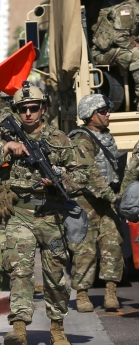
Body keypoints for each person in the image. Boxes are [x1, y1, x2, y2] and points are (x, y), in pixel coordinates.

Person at [0, 82, 90, 345]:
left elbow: (83, 173)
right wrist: (5, 150)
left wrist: (61, 181)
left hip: (51, 215)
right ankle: (18, 329)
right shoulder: (6, 138)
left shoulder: (59, 139)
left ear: (43, 109)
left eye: (33, 108)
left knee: (55, 276)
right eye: (23, 109)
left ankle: (57, 329)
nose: (28, 113)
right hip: (18, 214)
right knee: (19, 272)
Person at [68, 94, 124, 313]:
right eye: (102, 111)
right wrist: (113, 198)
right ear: (89, 115)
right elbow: (90, 173)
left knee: (113, 245)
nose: (108, 113)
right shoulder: (82, 139)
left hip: (106, 200)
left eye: (107, 110)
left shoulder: (106, 136)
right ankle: (82, 295)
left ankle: (111, 292)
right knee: (85, 250)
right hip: (86, 202)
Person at [91, 0, 139, 110]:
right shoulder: (126, 9)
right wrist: (136, 44)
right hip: (103, 52)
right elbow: (120, 38)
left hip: (118, 49)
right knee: (137, 55)